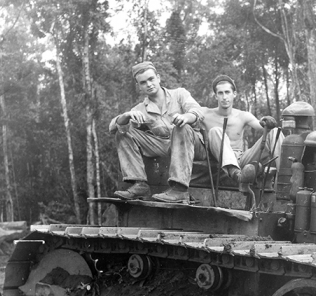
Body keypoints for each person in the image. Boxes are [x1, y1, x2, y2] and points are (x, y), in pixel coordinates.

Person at [110, 62, 236, 203]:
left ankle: (180, 189)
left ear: (158, 78)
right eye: (143, 82)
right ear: (139, 86)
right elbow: (112, 128)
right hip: (164, 146)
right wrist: (125, 117)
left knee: (181, 128)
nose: (149, 84)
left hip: (193, 144)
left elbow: (198, 112)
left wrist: (185, 117)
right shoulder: (140, 109)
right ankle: (139, 184)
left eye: (151, 79)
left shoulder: (179, 94)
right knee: (122, 134)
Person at [200, 75, 279, 177]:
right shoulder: (205, 113)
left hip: (241, 159)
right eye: (220, 93)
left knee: (274, 131)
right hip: (217, 159)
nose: (224, 97)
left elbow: (261, 125)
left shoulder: (242, 115)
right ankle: (235, 173)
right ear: (216, 96)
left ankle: (284, 178)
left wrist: (266, 121)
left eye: (227, 92)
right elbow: (190, 116)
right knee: (215, 131)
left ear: (234, 94)